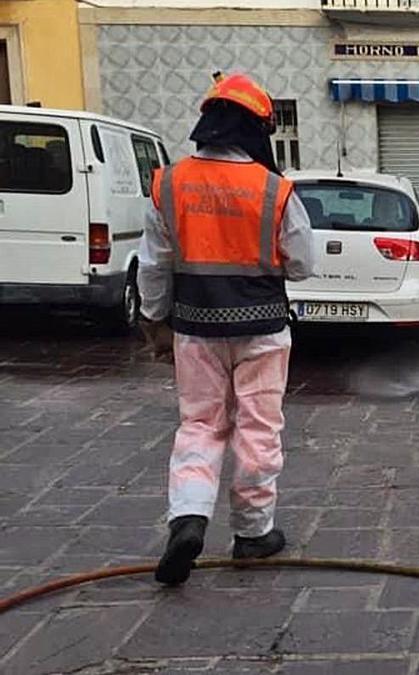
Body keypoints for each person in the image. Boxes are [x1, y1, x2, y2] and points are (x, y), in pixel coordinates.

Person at [138, 72, 315, 585]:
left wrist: (154, 322)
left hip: (194, 329)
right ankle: (254, 533)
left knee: (199, 425)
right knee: (259, 427)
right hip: (262, 330)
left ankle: (189, 517)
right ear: (257, 129)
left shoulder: (169, 182)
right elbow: (301, 264)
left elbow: (153, 266)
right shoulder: (274, 189)